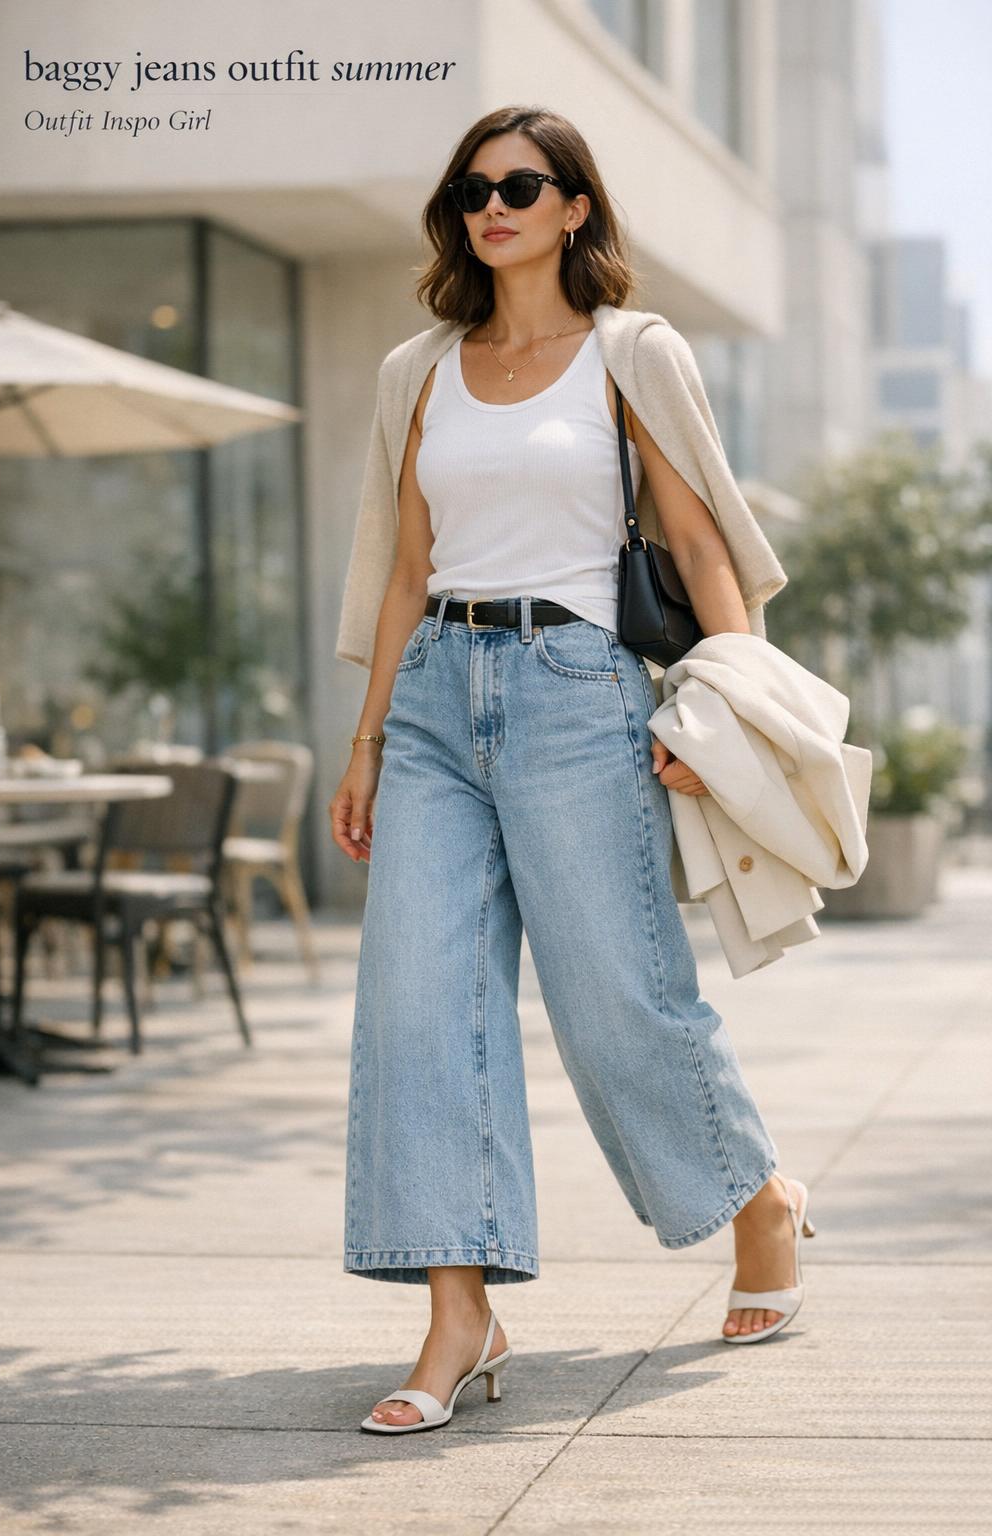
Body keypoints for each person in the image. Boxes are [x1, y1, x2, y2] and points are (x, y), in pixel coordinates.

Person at [329, 105, 815, 1435]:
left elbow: (700, 543)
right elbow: (405, 570)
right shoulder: (415, 371)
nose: (495, 206)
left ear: (574, 208)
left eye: (523, 186)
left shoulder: (627, 354)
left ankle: (757, 1198)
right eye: (475, 189)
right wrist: (367, 738)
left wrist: (721, 704)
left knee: (618, 999)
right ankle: (460, 1315)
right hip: (433, 696)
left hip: (575, 693)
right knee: (420, 1013)